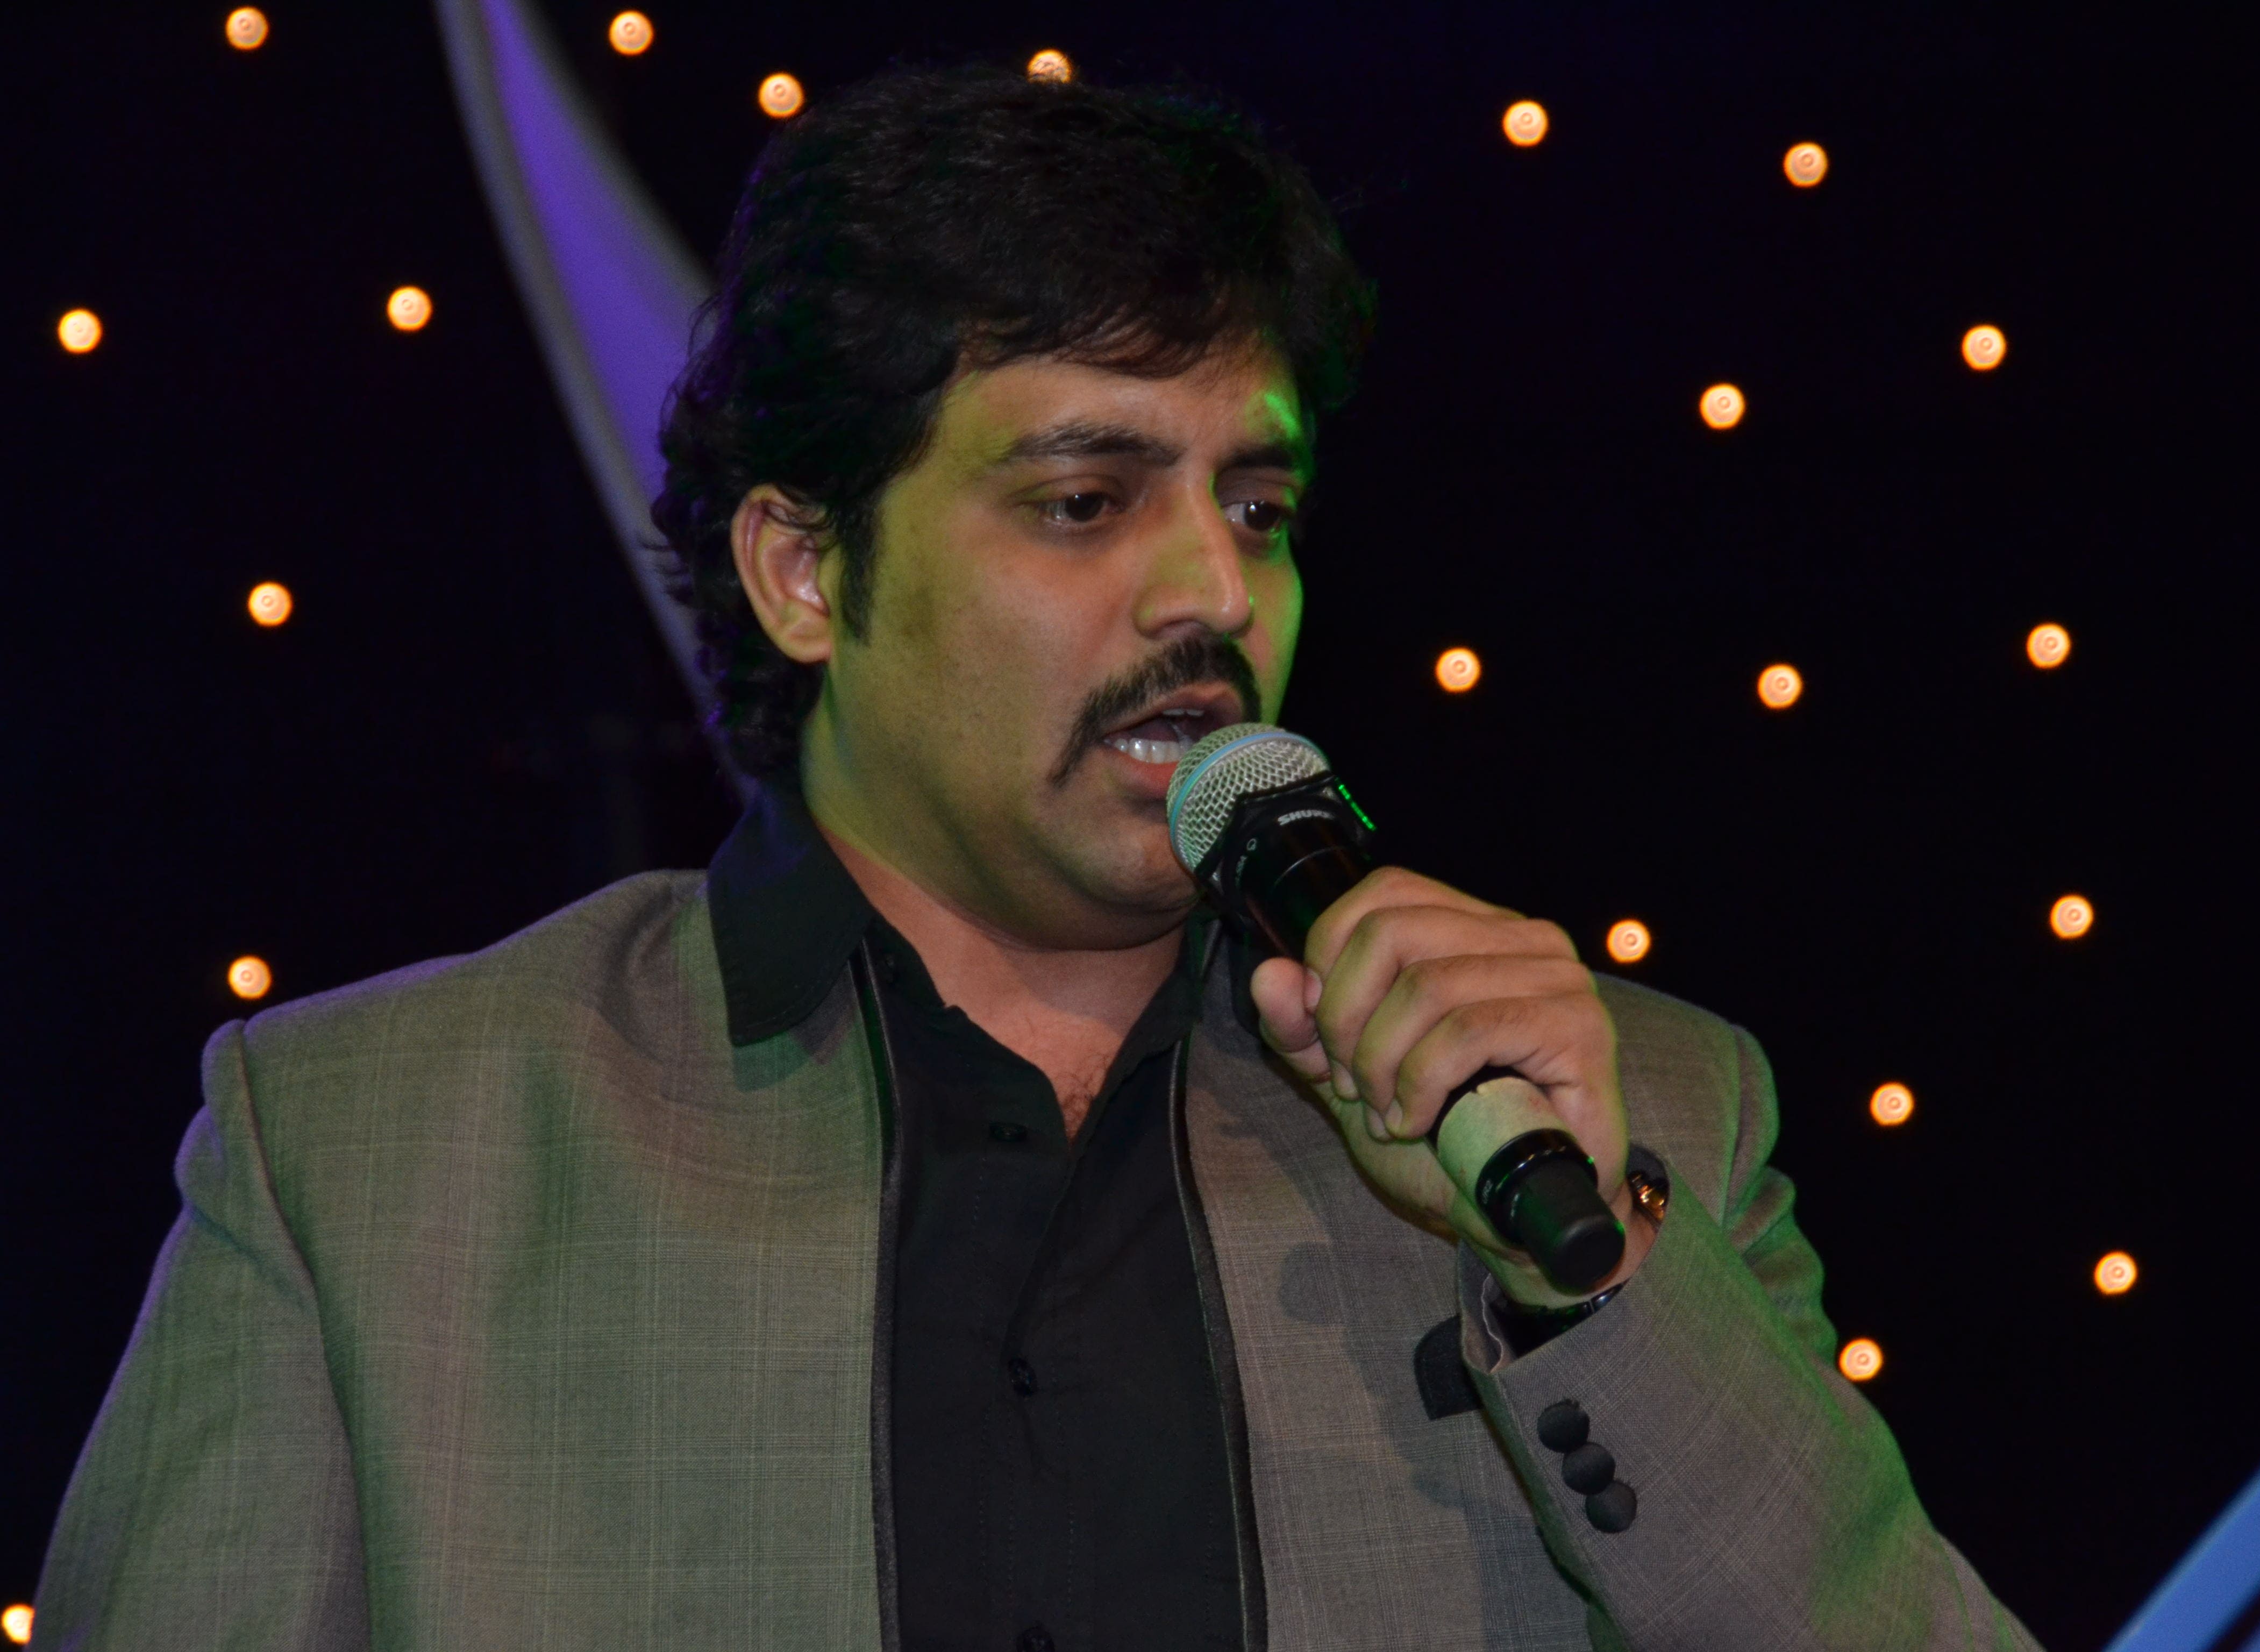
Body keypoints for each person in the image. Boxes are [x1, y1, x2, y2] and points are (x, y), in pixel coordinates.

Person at [32, 66, 2036, 1652]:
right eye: (1084, 500)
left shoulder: (1620, 1116)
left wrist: (1586, 1282)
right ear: (805, 571)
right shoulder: (371, 1159)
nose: (1209, 593)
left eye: (1257, 508)